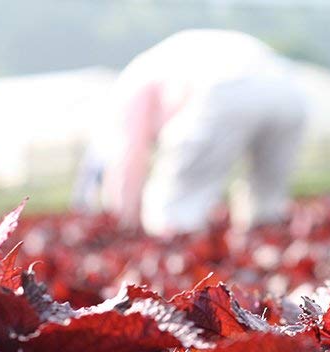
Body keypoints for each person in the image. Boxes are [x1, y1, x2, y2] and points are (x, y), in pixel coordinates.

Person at [78, 30, 308, 236]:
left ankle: (181, 259)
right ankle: (265, 248)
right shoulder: (163, 58)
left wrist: (123, 218)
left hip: (227, 86)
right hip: (286, 85)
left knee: (176, 208)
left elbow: (130, 154)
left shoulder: (129, 84)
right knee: (267, 201)